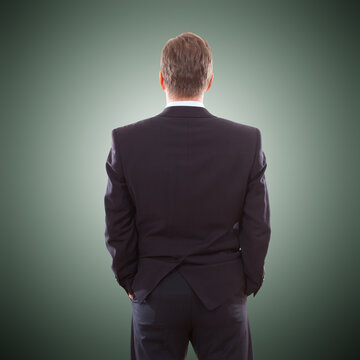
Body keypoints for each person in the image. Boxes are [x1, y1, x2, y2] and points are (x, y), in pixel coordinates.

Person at [104, 31, 271, 360]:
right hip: (224, 292)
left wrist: (129, 280)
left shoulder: (126, 141)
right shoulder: (246, 141)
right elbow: (257, 226)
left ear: (162, 80)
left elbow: (117, 223)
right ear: (210, 81)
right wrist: (248, 281)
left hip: (153, 292)